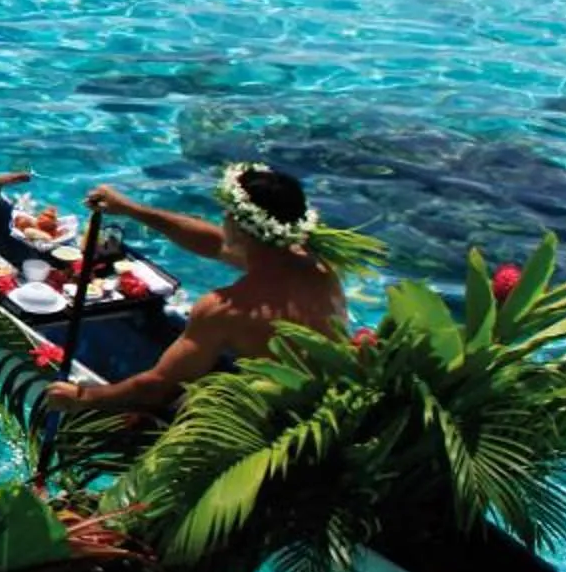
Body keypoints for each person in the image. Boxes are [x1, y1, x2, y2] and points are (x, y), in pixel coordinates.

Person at [44, 162, 348, 416]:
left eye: (227, 214)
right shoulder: (319, 267)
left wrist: (83, 397)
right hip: (326, 404)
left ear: (241, 228)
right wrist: (131, 210)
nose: (223, 220)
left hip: (270, 424)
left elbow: (158, 387)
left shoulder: (224, 310)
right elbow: (216, 243)